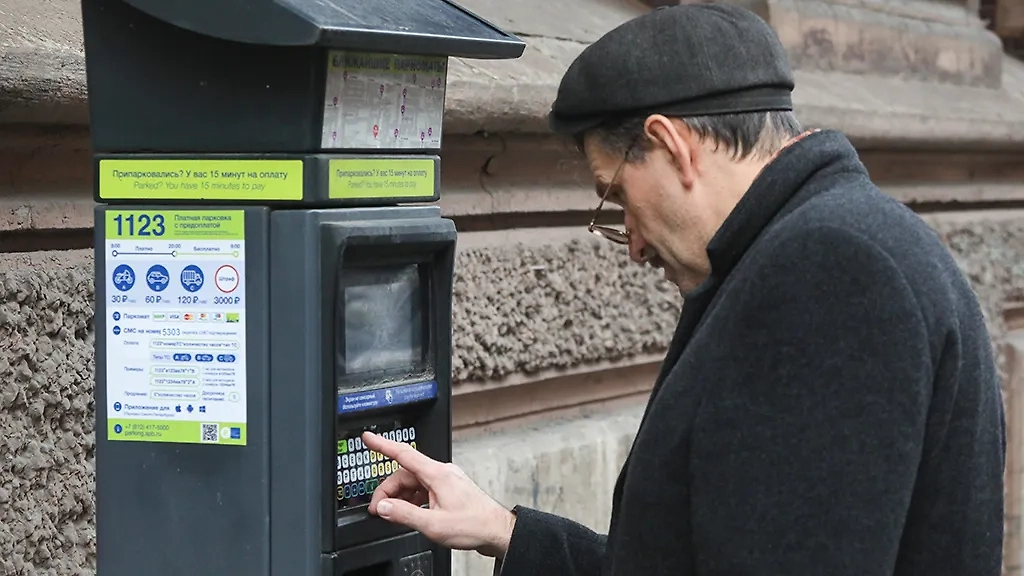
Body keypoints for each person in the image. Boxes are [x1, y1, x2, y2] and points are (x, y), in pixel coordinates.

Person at [360, 3, 1007, 574]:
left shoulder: (828, 270)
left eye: (615, 195)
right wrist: (505, 531)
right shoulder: (843, 238)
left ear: (672, 145)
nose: (634, 243)